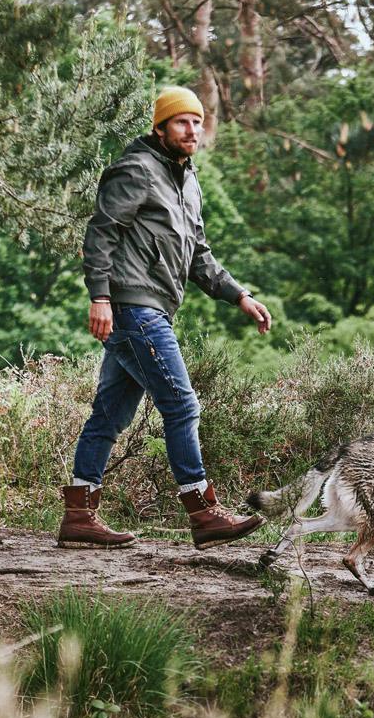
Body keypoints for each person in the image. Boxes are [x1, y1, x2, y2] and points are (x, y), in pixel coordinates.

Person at [58, 87, 272, 549]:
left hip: (154, 307)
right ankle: (203, 510)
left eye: (197, 122)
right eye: (181, 122)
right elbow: (101, 233)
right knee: (182, 404)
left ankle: (79, 515)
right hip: (133, 306)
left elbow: (198, 255)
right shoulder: (136, 169)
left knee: (110, 414)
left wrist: (240, 296)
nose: (191, 129)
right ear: (160, 127)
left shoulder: (188, 182)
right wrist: (100, 296)